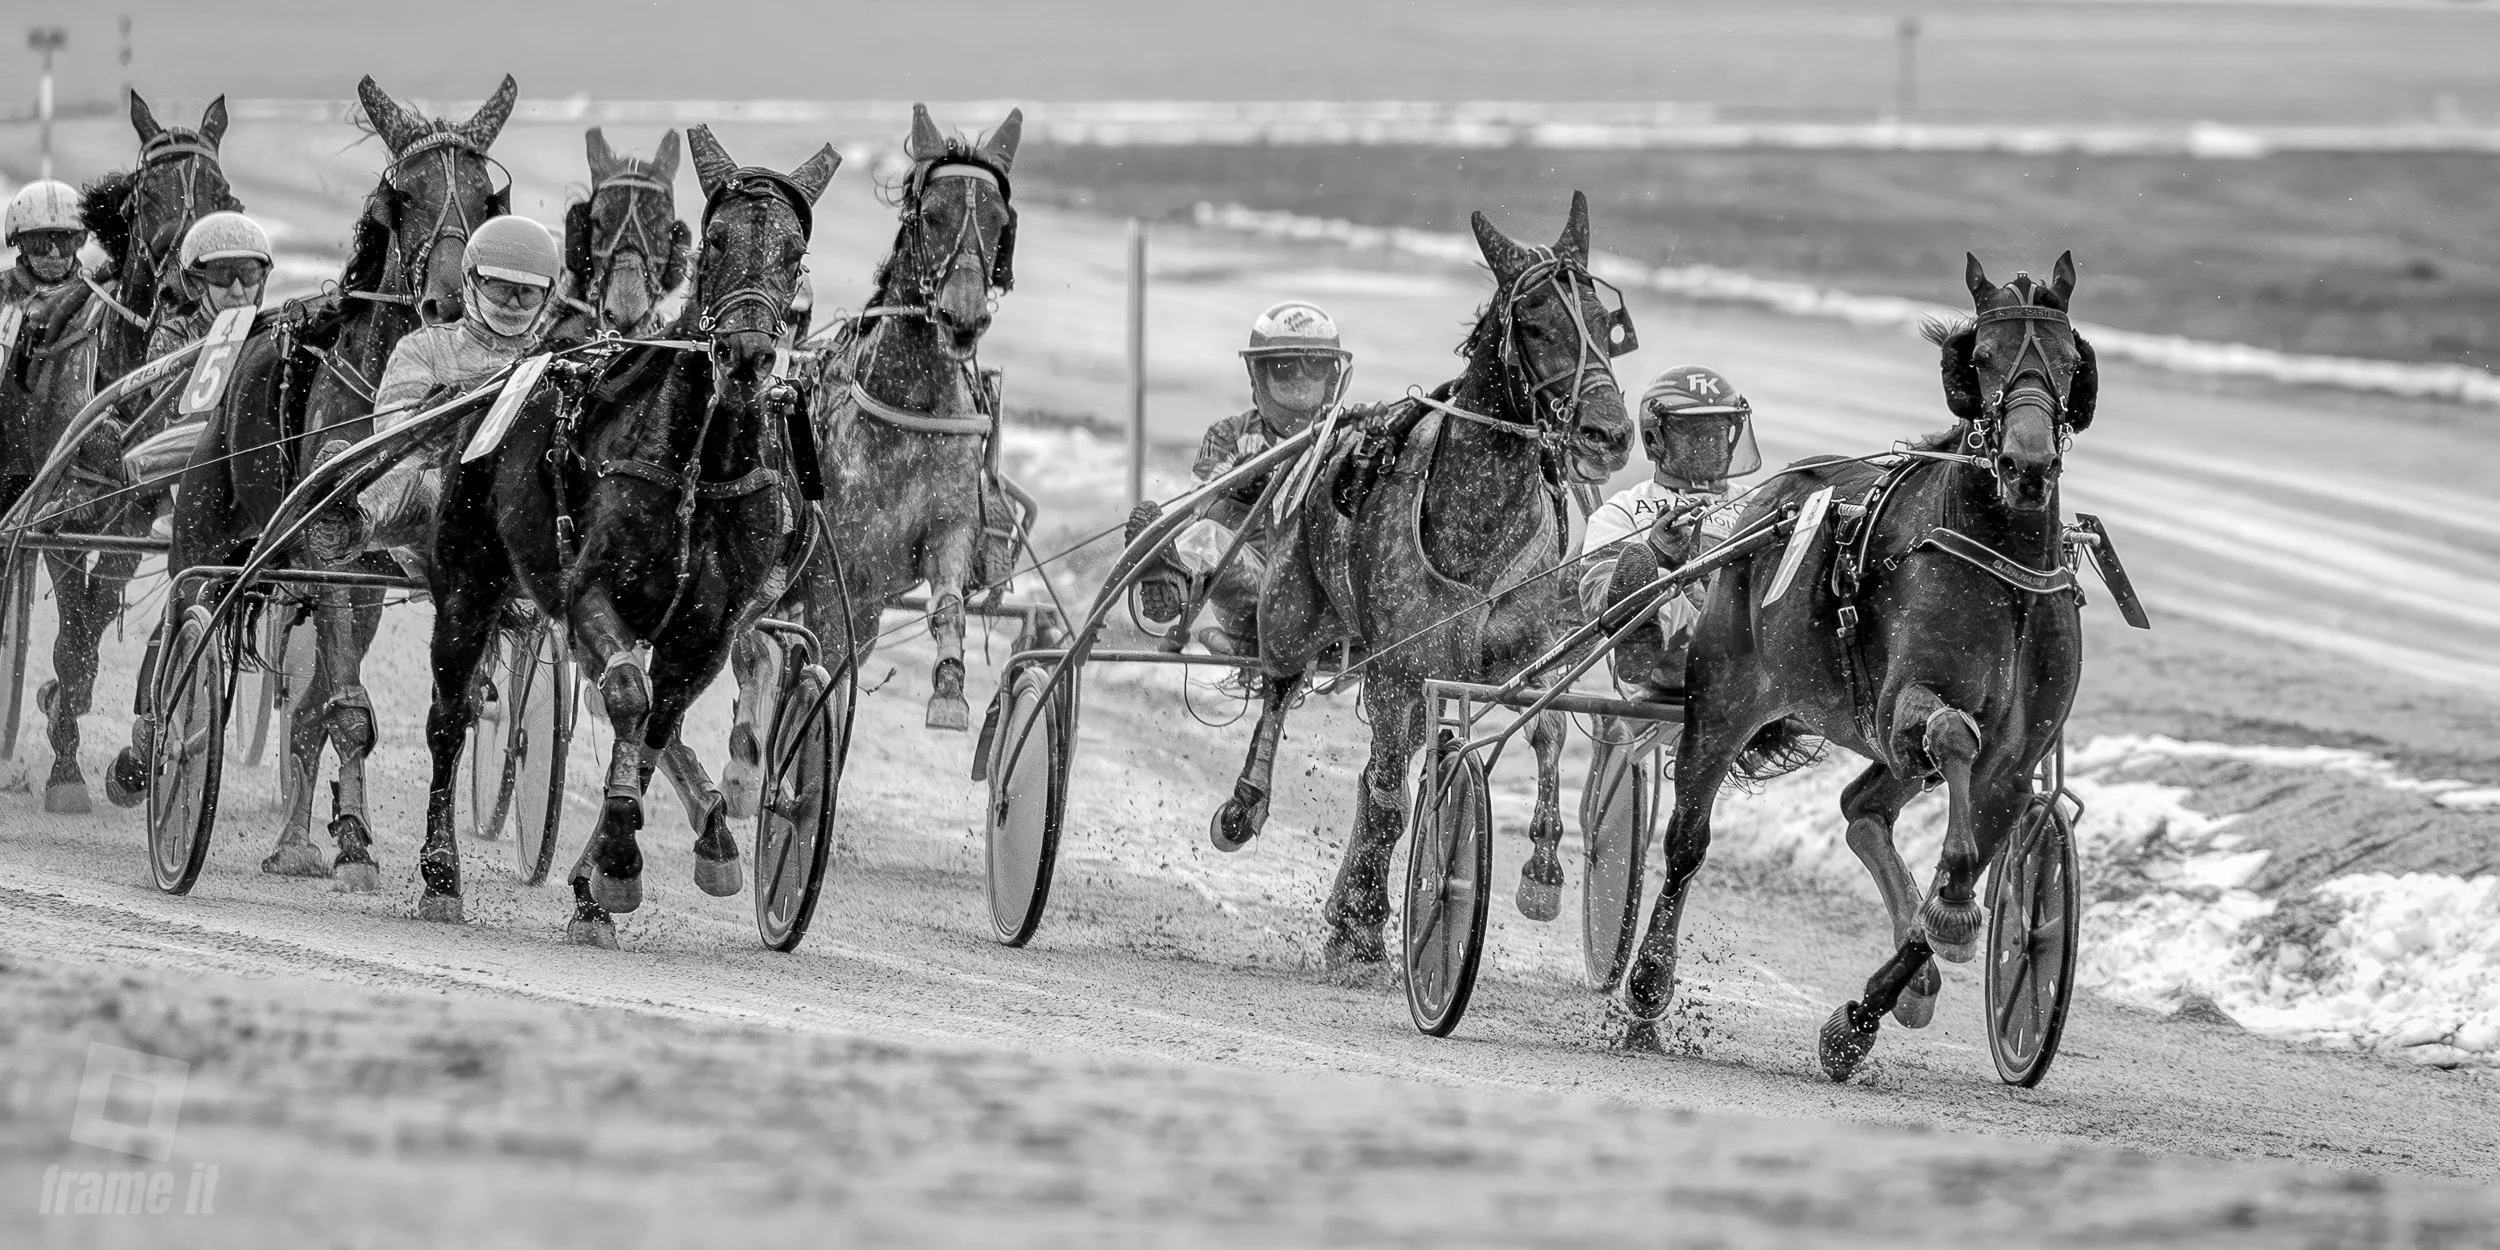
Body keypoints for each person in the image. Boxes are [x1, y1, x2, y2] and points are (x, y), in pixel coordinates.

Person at [300, 214, 561, 579]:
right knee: (416, 480)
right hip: (445, 507)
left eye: (528, 291)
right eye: (500, 287)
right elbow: (389, 432)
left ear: (548, 295)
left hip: (532, 508)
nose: (515, 303)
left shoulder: (559, 360)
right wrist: (441, 419)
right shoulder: (426, 347)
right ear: (471, 280)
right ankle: (348, 521)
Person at [1125, 300, 1351, 654]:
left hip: (1328, 599)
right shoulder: (1228, 436)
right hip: (1260, 592)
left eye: (1315, 364)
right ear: (1258, 373)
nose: (1301, 378)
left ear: (1333, 375)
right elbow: (1198, 514)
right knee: (1206, 535)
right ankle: (1168, 583)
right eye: (1285, 366)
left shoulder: (1351, 439)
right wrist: (1238, 493)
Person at [1577, 365, 1763, 697]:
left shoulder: (1759, 501)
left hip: (1757, 645)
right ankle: (1640, 630)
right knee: (1657, 584)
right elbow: (1594, 588)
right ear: (1654, 439)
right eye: (1695, 433)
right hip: (1674, 664)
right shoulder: (1623, 509)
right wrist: (1657, 555)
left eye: (1718, 431)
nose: (1710, 443)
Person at [121, 212, 274, 508]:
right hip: (192, 466)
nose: (238, 290)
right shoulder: (174, 335)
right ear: (197, 283)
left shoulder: (273, 331)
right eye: (222, 276)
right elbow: (175, 414)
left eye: (249, 274)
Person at [1, 180, 91, 519]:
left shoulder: (100, 299)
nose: (54, 254)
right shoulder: (1, 293)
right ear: (20, 244)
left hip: (77, 461)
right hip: (10, 459)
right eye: (41, 242)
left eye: (66, 240)